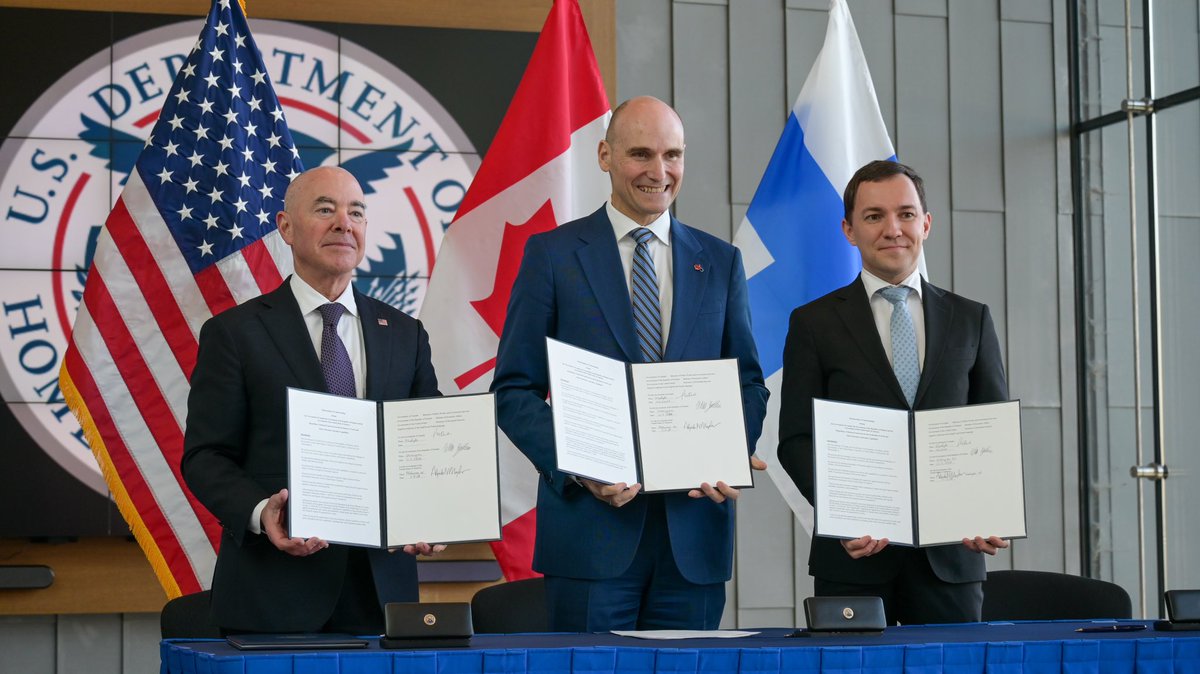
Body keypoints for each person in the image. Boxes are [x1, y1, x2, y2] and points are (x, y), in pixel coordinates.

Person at [491, 96, 769, 631]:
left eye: (673, 155)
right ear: (604, 156)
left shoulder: (721, 261)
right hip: (590, 536)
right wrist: (579, 464)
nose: (658, 172)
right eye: (641, 153)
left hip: (694, 539)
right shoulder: (552, 255)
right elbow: (515, 389)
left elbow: (748, 382)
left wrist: (732, 448)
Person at [182, 166, 442, 634]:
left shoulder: (406, 334)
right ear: (285, 226)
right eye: (325, 209)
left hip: (382, 597)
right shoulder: (234, 334)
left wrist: (436, 511)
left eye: (356, 212)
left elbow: (427, 446)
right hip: (272, 595)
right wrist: (263, 512)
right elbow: (205, 456)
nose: (344, 223)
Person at [777, 159, 1010, 625]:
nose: (892, 229)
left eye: (905, 214)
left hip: (951, 558)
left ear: (926, 223)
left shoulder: (972, 319)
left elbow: (991, 429)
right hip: (853, 557)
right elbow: (797, 440)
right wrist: (840, 514)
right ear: (849, 229)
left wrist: (991, 508)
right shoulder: (814, 323)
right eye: (873, 216)